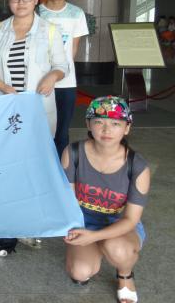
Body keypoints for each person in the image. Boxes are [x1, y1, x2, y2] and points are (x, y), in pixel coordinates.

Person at [0, 0, 68, 257]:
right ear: (9, 1)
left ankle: (28, 223)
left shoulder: (50, 30)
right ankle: (4, 229)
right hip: (3, 108)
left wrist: (52, 76)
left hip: (36, 110)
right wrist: (3, 87)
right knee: (4, 166)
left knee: (32, 167)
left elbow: (62, 65)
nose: (21, 2)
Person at [63, 96, 150, 303]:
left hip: (120, 225)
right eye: (99, 122)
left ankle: (125, 275)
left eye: (115, 124)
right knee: (80, 272)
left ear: (127, 128)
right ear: (88, 124)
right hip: (83, 223)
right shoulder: (73, 153)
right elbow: (67, 201)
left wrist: (95, 237)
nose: (106, 130)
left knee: (117, 249)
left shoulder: (137, 166)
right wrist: (77, 231)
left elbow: (131, 219)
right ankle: (95, 248)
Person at [38, 0, 90, 157]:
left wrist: (61, 70)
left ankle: (60, 168)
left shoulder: (77, 13)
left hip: (66, 81)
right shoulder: (36, 12)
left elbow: (73, 48)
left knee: (62, 131)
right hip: (38, 80)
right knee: (39, 128)